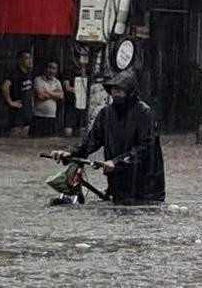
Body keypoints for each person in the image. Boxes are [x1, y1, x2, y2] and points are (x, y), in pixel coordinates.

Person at [50, 69, 165, 205]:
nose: (116, 92)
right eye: (113, 89)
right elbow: (92, 140)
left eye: (120, 89)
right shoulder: (106, 114)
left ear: (130, 91)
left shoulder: (144, 113)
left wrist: (117, 162)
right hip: (117, 184)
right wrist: (70, 152)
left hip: (145, 187)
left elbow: (145, 148)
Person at [2, 51, 34, 137]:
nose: (30, 61)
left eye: (30, 58)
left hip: (27, 110)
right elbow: (5, 86)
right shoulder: (15, 73)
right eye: (26, 58)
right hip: (17, 112)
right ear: (20, 60)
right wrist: (10, 102)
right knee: (15, 135)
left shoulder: (29, 74)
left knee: (25, 134)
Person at [31, 60, 64, 138]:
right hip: (39, 116)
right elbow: (41, 96)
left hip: (52, 117)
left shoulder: (57, 82)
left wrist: (47, 92)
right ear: (45, 69)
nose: (51, 71)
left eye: (54, 68)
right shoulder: (38, 80)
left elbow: (61, 96)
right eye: (50, 68)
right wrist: (55, 93)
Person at [61, 54, 90, 137]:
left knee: (82, 128)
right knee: (68, 129)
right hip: (72, 102)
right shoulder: (69, 72)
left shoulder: (88, 73)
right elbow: (67, 87)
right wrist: (78, 90)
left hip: (83, 104)